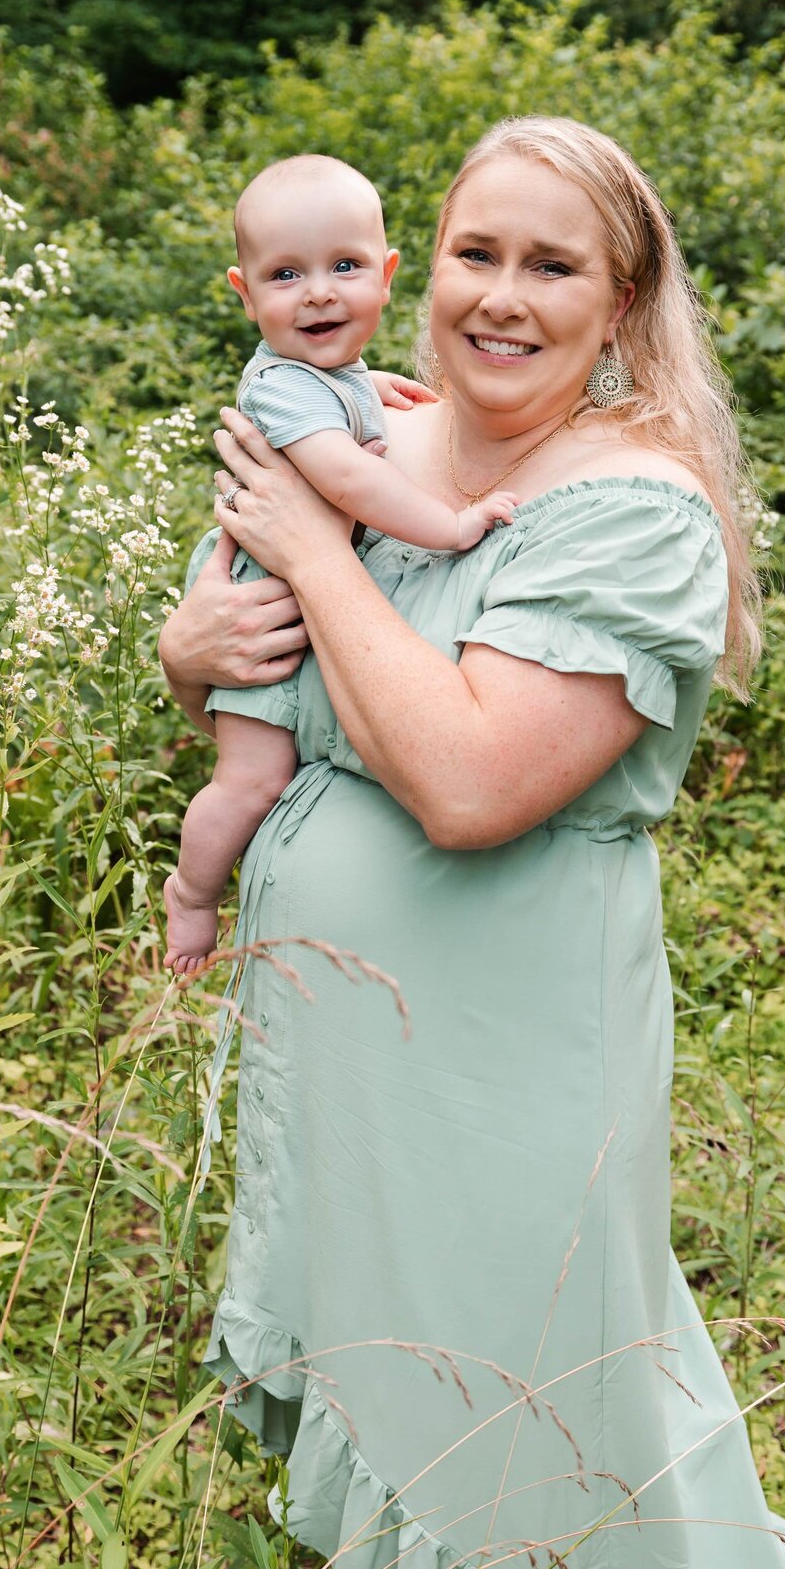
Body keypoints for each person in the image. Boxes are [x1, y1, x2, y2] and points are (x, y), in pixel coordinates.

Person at [158, 117, 785, 1569]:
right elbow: (262, 687)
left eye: (552, 265)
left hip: (509, 1045)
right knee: (403, 1358)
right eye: (478, 250)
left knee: (546, 1403)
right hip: (346, 1038)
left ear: (622, 303)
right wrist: (196, 650)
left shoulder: (630, 507)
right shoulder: (368, 435)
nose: (501, 295)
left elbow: (476, 778)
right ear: (423, 261)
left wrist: (313, 554)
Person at [164, 153, 516, 973]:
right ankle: (191, 890)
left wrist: (374, 385)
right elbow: (351, 477)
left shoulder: (329, 373)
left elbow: (341, 399)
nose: (320, 291)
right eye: (286, 274)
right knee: (252, 779)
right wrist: (452, 526)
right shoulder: (284, 390)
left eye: (345, 266)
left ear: (388, 277)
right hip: (262, 603)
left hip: (295, 584)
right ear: (245, 294)